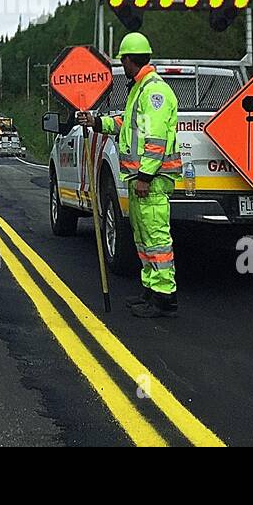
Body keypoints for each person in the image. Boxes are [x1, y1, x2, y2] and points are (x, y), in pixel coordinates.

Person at [76, 32, 181, 317]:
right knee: (144, 238)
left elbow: (155, 139)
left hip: (152, 181)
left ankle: (164, 297)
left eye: (122, 60)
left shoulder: (154, 92)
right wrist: (97, 122)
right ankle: (150, 291)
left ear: (128, 60)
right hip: (139, 180)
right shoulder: (140, 88)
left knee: (157, 239)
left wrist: (146, 176)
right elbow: (127, 122)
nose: (122, 65)